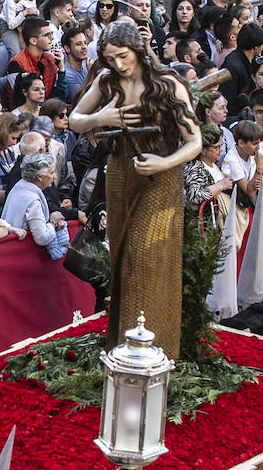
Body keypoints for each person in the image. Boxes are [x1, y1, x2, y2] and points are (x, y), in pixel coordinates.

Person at [69, 20, 202, 358]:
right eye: (111, 58)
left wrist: (165, 163)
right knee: (122, 259)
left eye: (123, 56)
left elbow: (195, 142)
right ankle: (122, 345)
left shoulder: (169, 85)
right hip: (118, 172)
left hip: (160, 177)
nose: (119, 64)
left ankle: (151, 348)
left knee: (145, 258)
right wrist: (101, 119)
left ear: (139, 51)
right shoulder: (106, 80)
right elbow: (74, 120)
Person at [0, 154, 70, 258]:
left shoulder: (19, 186)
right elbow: (42, 238)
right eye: (51, 173)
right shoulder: (32, 201)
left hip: (10, 250)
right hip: (23, 255)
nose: (55, 176)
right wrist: (53, 223)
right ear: (39, 177)